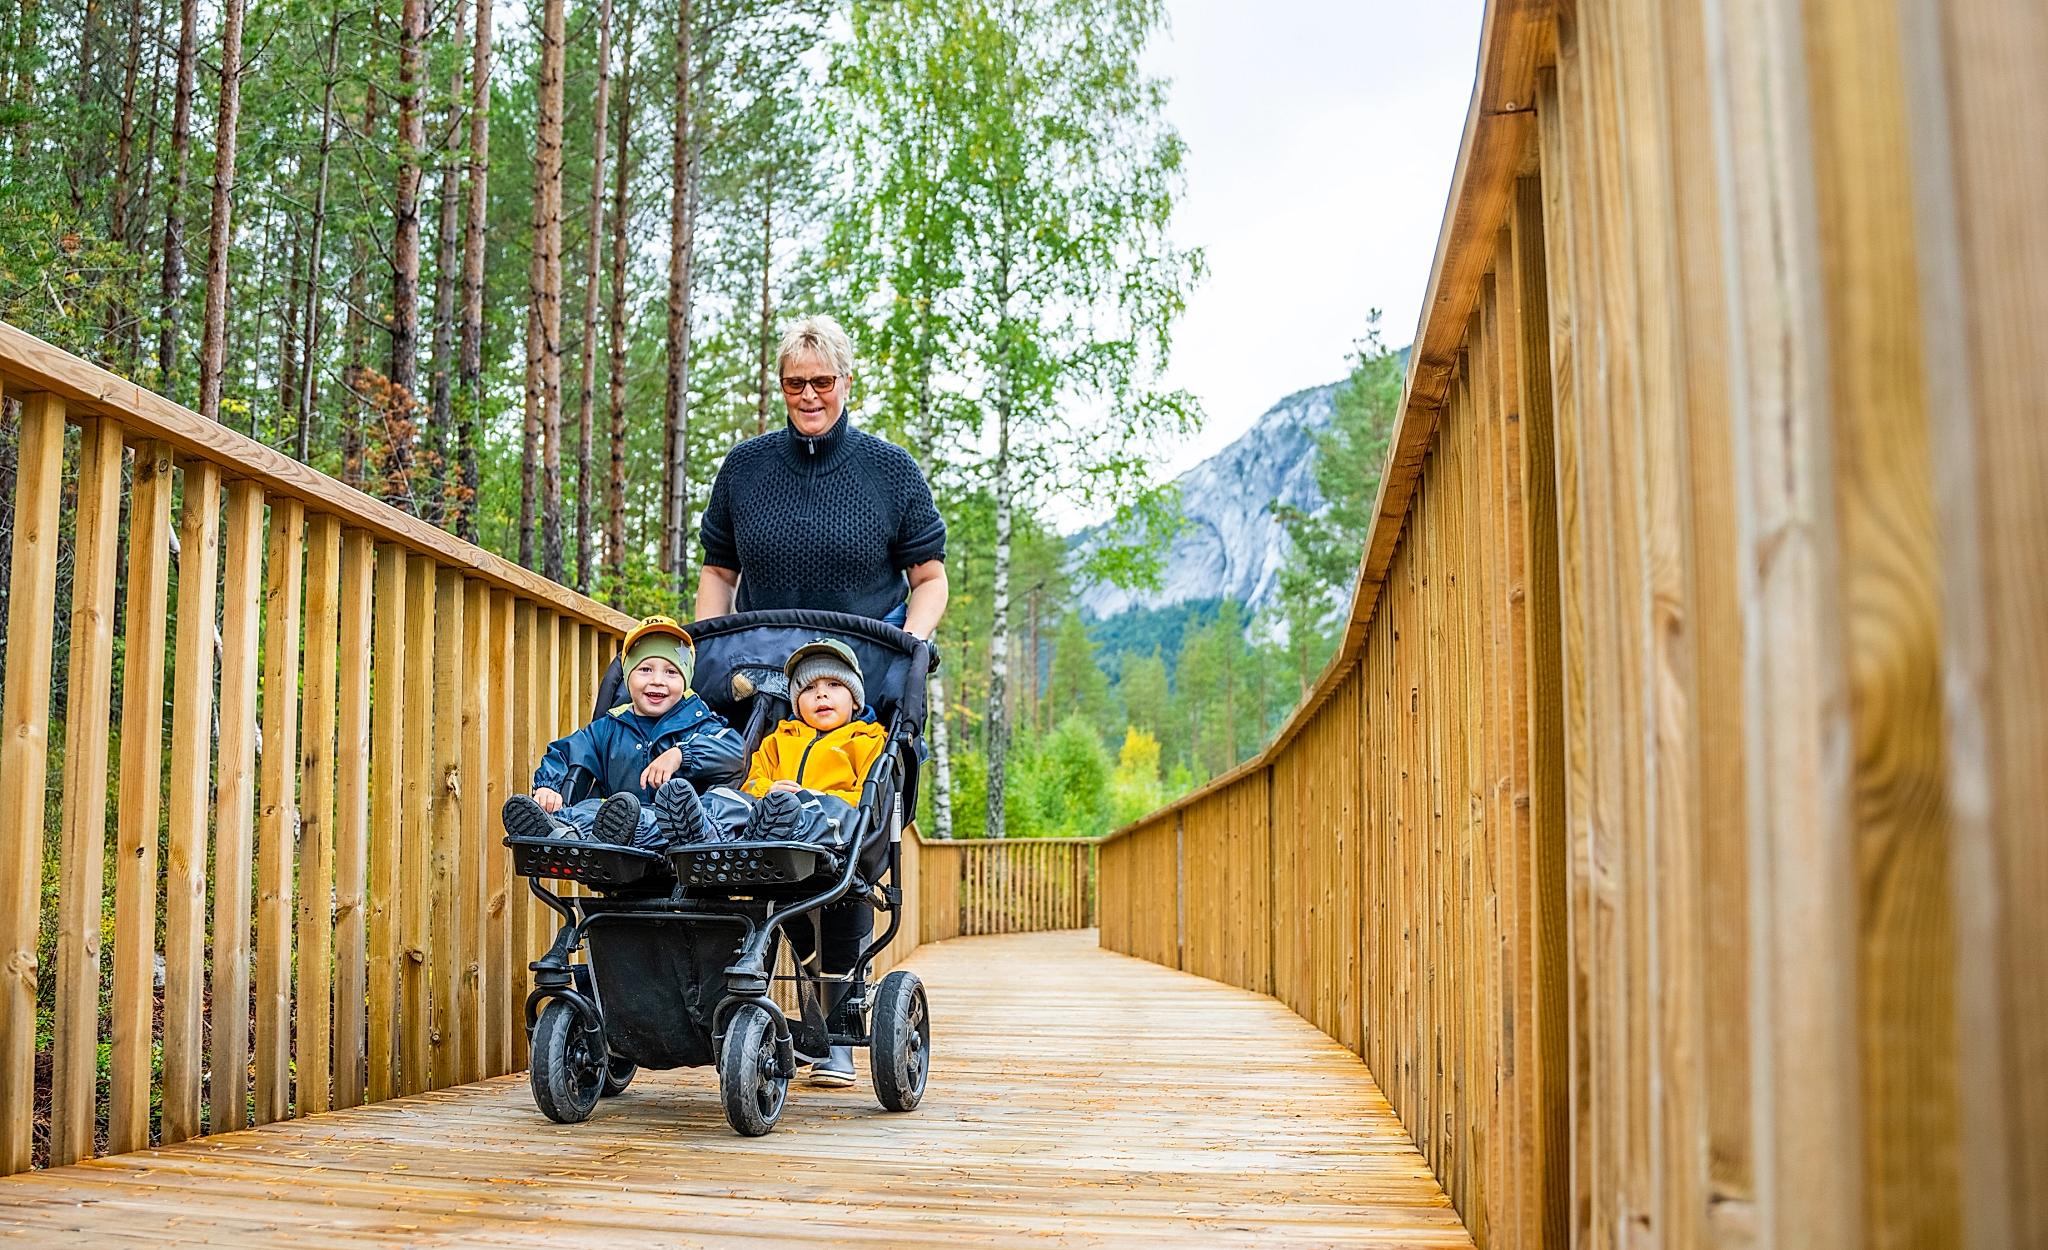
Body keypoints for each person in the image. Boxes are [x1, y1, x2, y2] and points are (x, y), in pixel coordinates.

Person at [661, 638, 886, 1088]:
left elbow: (868, 800)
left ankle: (836, 1050)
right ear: (795, 701)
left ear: (855, 697)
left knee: (817, 813)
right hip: (770, 832)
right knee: (727, 798)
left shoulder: (867, 740)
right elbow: (755, 780)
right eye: (808, 689)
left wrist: (804, 798)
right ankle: (702, 831)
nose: (820, 695)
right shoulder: (779, 738)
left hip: (830, 828)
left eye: (832, 686)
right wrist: (769, 794)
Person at [694, 314, 950, 640]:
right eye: (795, 383)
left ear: (847, 383)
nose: (809, 395)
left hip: (867, 666)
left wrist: (906, 647)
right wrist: (707, 648)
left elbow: (929, 579)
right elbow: (718, 571)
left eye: (823, 382)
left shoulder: (893, 469)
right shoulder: (743, 467)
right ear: (782, 387)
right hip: (760, 665)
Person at [499, 616, 746, 850]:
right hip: (618, 828)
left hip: (680, 835)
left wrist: (681, 754)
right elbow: (566, 752)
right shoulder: (608, 728)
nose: (658, 680)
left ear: (685, 681)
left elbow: (734, 751)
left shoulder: (700, 723)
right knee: (592, 809)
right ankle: (557, 829)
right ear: (628, 677)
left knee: (725, 801)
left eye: (671, 672)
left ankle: (666, 827)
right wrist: (548, 787)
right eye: (645, 669)